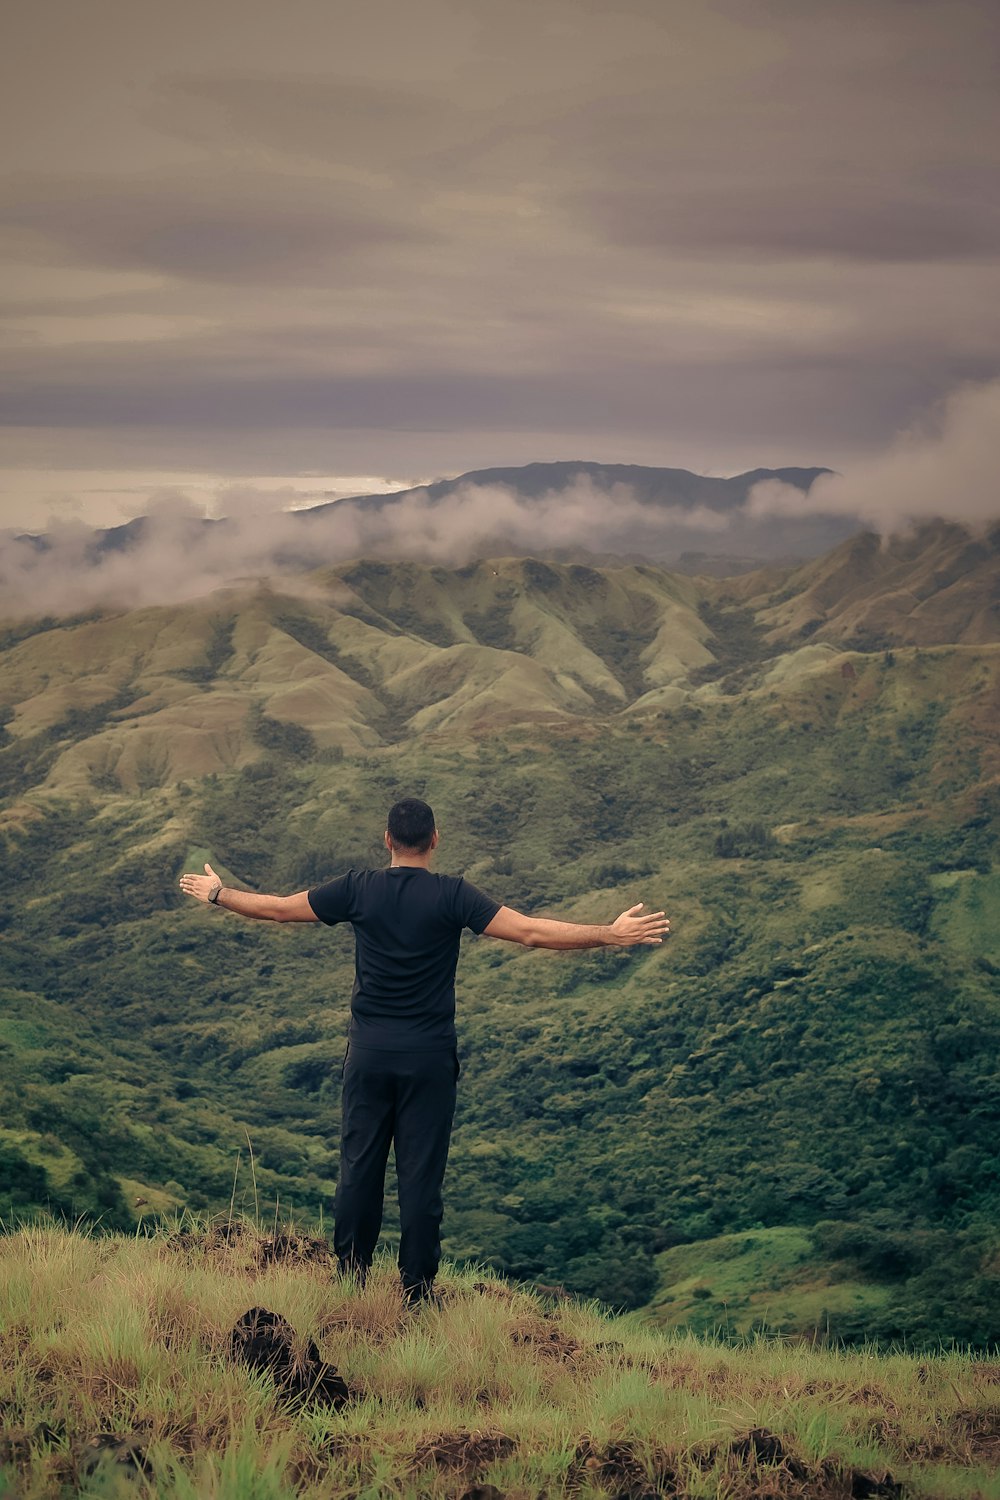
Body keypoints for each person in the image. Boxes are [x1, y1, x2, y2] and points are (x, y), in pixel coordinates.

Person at [179, 796, 670, 1305]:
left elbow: (278, 910)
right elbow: (529, 932)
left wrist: (219, 894)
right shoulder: (453, 895)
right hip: (429, 1059)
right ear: (434, 840)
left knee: (359, 1170)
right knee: (421, 1177)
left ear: (387, 839)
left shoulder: (357, 888)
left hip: (368, 1055)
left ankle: (350, 1284)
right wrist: (609, 935)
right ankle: (416, 1293)